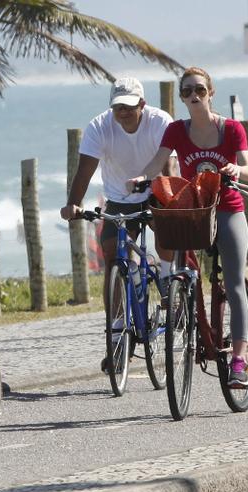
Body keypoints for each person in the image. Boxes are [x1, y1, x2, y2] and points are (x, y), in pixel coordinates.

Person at [132, 66, 248, 387]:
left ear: (210, 93)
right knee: (181, 269)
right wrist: (142, 179)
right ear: (182, 97)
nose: (194, 96)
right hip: (194, 210)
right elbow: (156, 162)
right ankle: (186, 310)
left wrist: (236, 170)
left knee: (234, 281)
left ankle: (240, 358)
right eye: (187, 91)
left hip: (228, 209)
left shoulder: (231, 130)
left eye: (199, 90)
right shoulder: (175, 130)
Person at [59, 77, 177, 370]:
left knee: (168, 231)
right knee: (112, 255)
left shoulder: (160, 121)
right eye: (117, 107)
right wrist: (73, 204)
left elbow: (169, 166)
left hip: (156, 189)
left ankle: (164, 279)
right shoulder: (99, 126)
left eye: (128, 106)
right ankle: (117, 339)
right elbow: (85, 170)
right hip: (119, 198)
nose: (122, 112)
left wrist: (169, 199)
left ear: (142, 104)